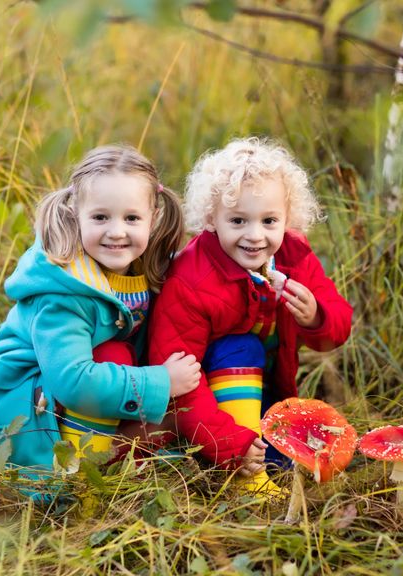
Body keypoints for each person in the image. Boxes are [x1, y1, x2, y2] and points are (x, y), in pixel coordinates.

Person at [0, 145, 201, 472]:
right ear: (76, 214)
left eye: (131, 218)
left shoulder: (146, 268)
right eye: (100, 217)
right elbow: (72, 381)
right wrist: (161, 382)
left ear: (154, 218)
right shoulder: (64, 288)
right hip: (19, 409)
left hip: (73, 400)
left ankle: (116, 453)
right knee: (114, 355)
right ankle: (81, 475)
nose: (116, 232)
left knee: (174, 419)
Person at [148, 137, 353, 495]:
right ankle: (246, 480)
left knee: (303, 465)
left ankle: (264, 458)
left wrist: (315, 317)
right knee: (240, 345)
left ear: (288, 218)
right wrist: (230, 444)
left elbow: (337, 326)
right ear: (212, 218)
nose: (255, 236)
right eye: (239, 220)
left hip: (269, 395)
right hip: (209, 413)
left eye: (269, 220)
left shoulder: (293, 256)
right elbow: (178, 385)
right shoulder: (191, 279)